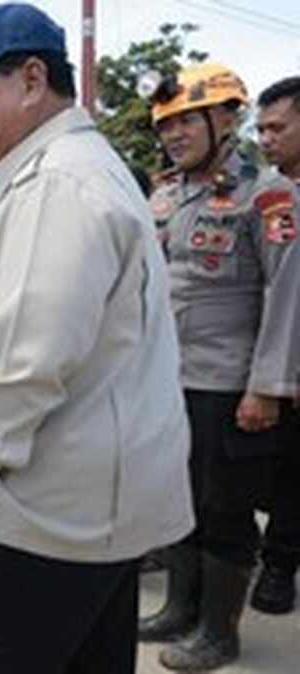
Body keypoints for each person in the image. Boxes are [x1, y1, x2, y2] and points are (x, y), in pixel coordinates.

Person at [0, 5, 193, 673]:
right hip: (86, 511)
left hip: (37, 519)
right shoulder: (85, 169)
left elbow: (27, 367)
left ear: (33, 79)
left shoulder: (57, 183)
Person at [141, 61, 300, 671]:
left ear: (226, 119)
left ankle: (218, 631)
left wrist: (267, 387)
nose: (173, 135)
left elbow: (288, 294)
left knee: (224, 510)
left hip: (231, 387)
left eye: (186, 121)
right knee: (177, 500)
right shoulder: (168, 197)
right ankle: (181, 609)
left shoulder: (270, 196)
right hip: (170, 381)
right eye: (166, 125)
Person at [251, 75, 300, 616]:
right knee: (281, 472)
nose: (265, 138)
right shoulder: (264, 197)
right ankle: (276, 562)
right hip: (271, 360)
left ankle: (280, 564)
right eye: (260, 129)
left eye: (277, 127)